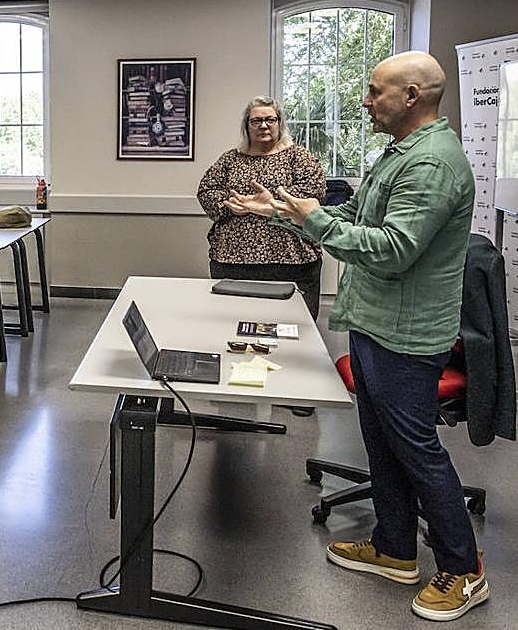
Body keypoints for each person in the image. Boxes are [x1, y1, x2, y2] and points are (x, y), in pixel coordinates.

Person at [227, 51, 487, 622]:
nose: (366, 101)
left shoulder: (431, 165)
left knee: (417, 449)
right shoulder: (400, 154)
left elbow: (392, 251)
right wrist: (280, 212)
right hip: (375, 322)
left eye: (375, 91)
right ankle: (395, 549)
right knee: (384, 443)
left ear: (412, 95)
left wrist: (312, 220)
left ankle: (465, 570)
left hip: (406, 333)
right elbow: (361, 224)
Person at [196, 96, 326, 320]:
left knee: (291, 331)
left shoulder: (298, 156)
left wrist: (269, 201)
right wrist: (232, 203)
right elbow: (206, 190)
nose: (263, 125)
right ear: (246, 126)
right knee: (233, 327)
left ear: (280, 123)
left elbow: (313, 191)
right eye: (256, 121)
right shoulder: (230, 160)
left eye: (270, 119)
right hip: (233, 263)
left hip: (291, 263)